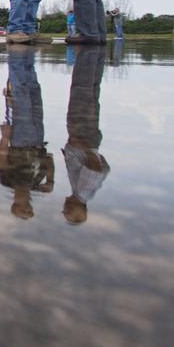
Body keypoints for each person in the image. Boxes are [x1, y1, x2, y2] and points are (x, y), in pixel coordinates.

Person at [0, 48, 54, 219]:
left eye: (25, 210)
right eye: (29, 210)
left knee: (21, 96)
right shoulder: (36, 183)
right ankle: (28, 58)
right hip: (38, 141)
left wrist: (5, 137)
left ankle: (17, 56)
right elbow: (49, 159)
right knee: (34, 93)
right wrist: (50, 180)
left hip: (20, 142)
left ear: (16, 205)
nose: (29, 208)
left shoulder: (8, 182)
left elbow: (2, 159)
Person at [62, 45, 109, 224]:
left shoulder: (82, 192)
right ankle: (89, 56)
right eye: (66, 211)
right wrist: (85, 148)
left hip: (84, 138)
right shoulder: (83, 192)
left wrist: (85, 149)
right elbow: (97, 170)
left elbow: (102, 169)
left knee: (87, 93)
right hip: (82, 136)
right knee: (83, 92)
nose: (63, 207)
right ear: (73, 208)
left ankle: (91, 56)